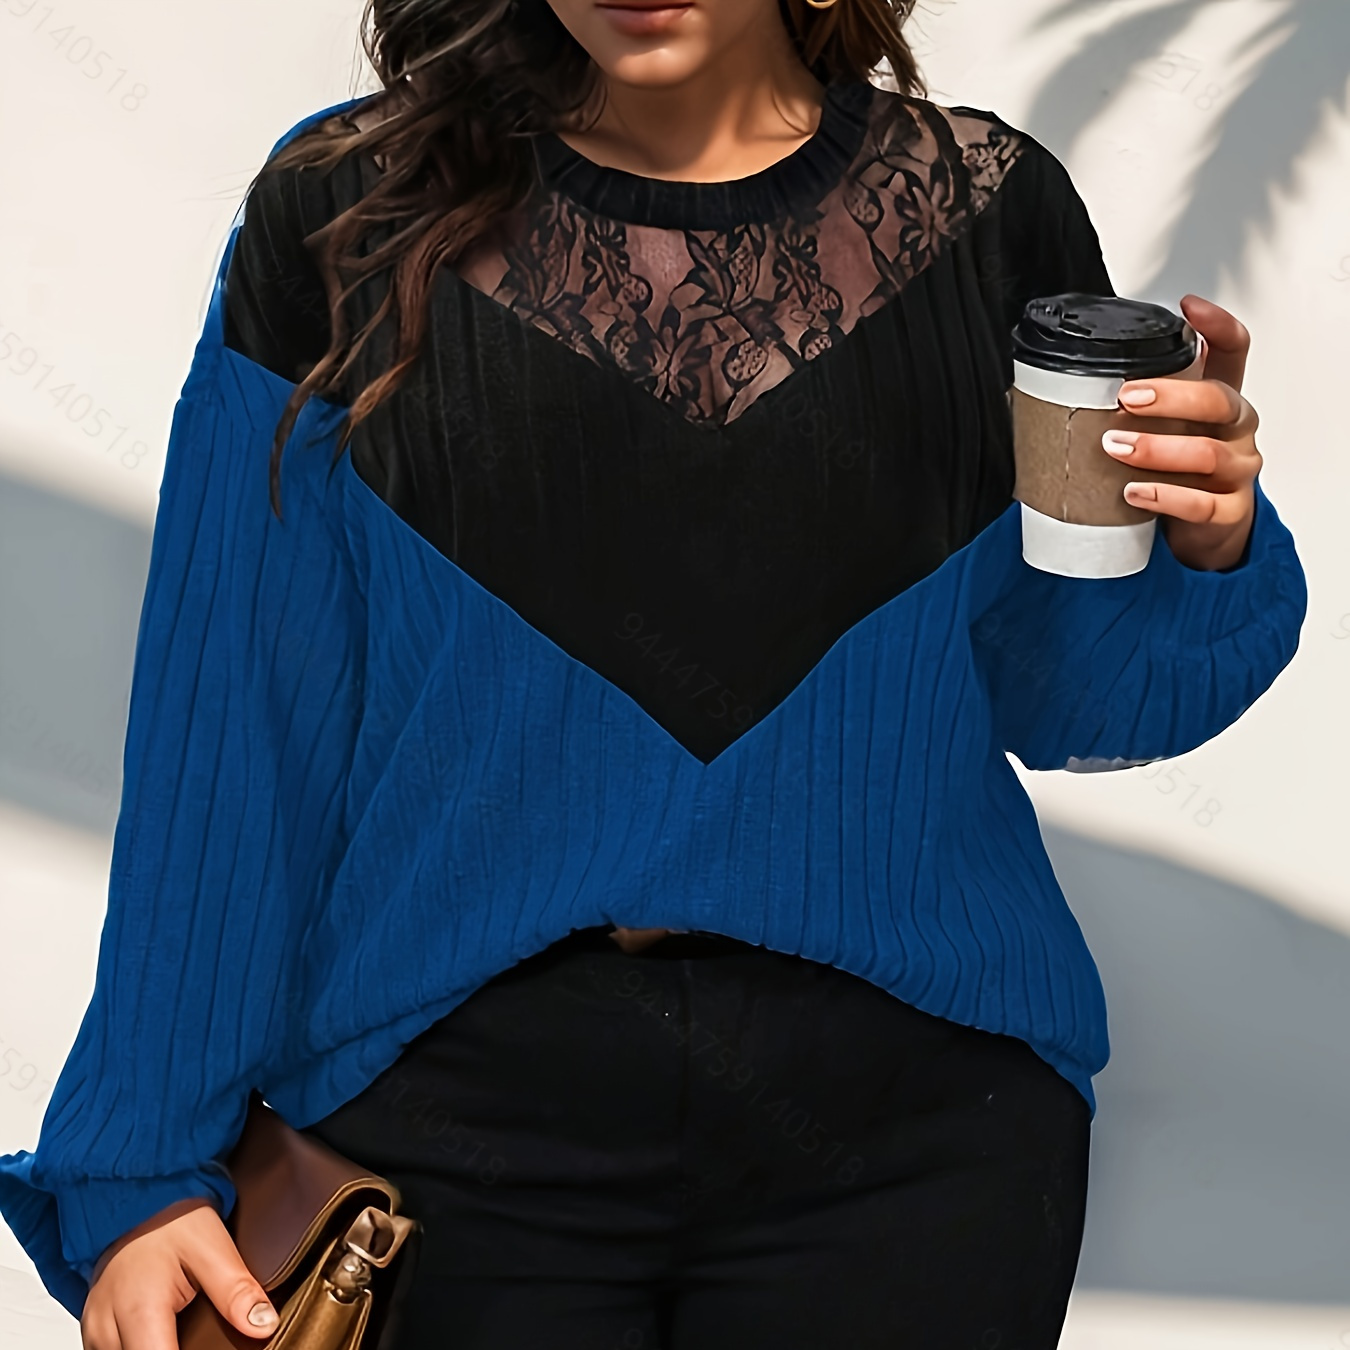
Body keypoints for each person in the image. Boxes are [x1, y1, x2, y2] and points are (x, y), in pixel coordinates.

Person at [0, 0, 1306, 1346]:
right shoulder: (342, 212)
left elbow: (1066, 695)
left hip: (915, 1140)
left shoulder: (988, 217)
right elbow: (231, 729)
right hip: (446, 1129)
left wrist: (1200, 544)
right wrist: (142, 1166)